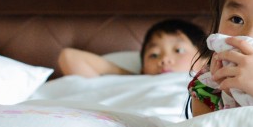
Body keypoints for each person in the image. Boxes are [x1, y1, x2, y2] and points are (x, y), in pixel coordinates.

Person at [58, 18, 206, 77]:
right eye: (153, 55)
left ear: (204, 61)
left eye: (178, 50)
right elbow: (69, 57)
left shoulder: (210, 83)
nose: (165, 59)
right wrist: (134, 76)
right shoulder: (137, 81)